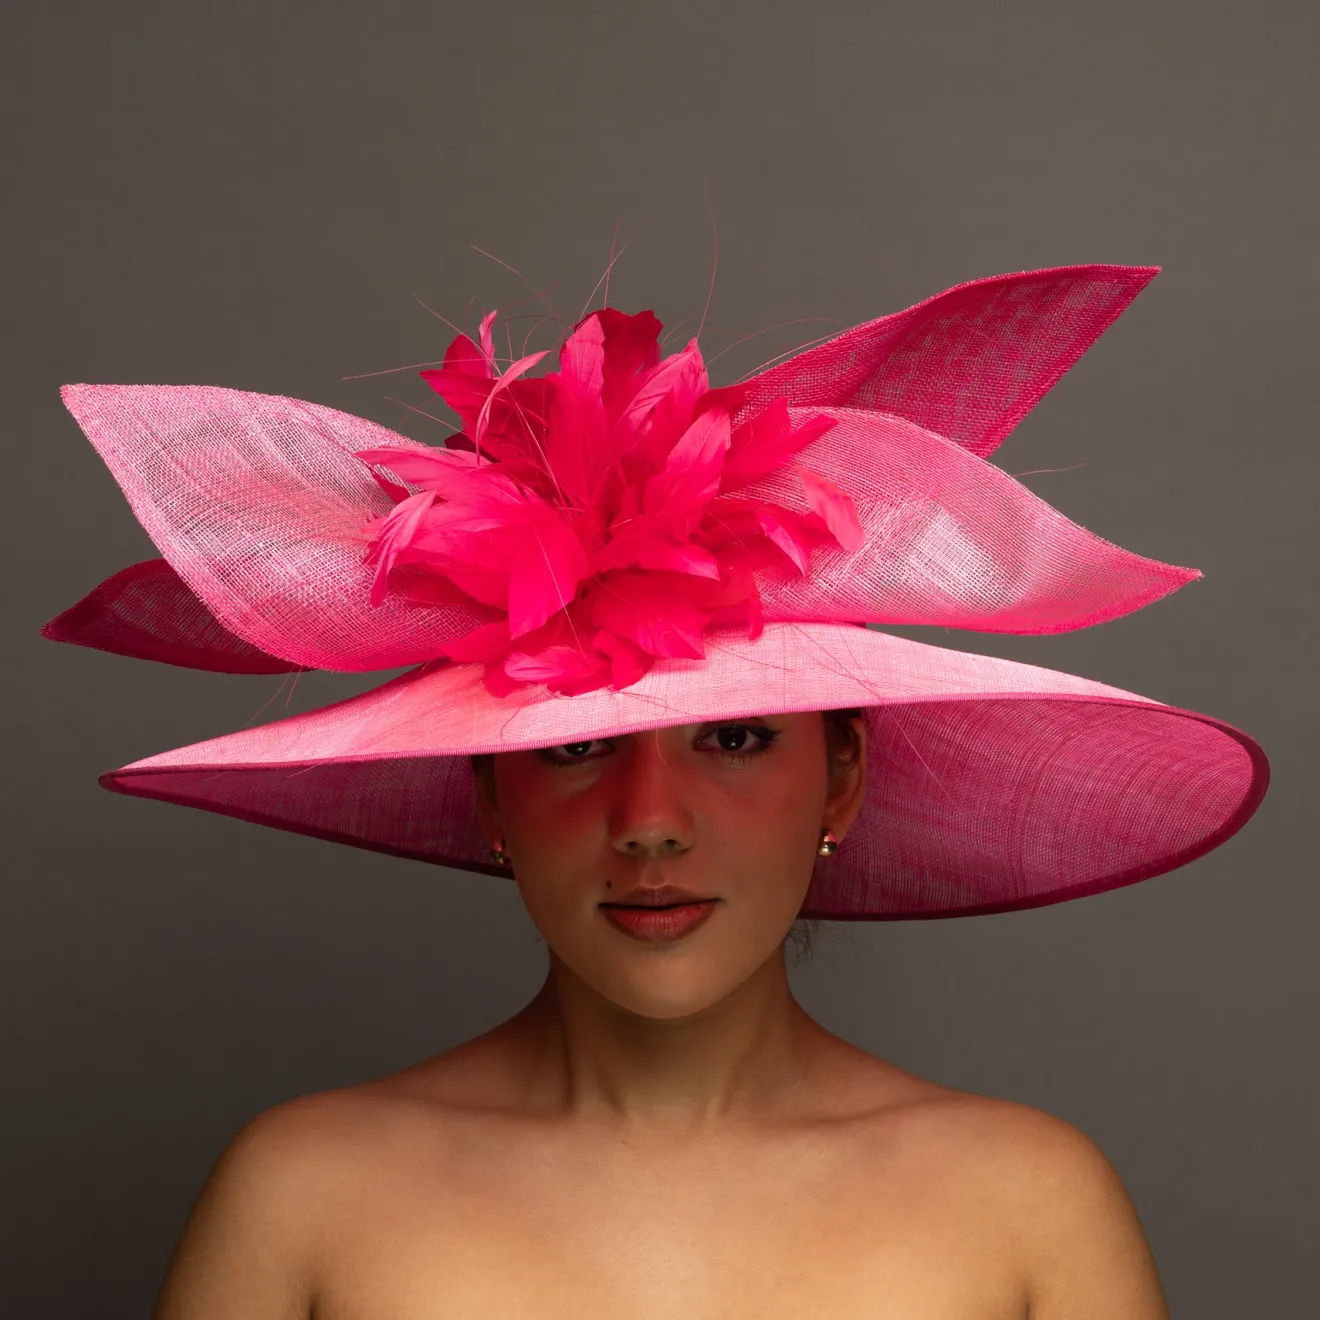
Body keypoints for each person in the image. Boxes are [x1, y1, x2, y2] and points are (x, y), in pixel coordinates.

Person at [45, 264, 1267, 1318]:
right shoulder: (305, 1196)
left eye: (733, 738)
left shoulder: (1027, 1206)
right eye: (573, 748)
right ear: (488, 796)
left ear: (841, 779)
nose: (648, 824)